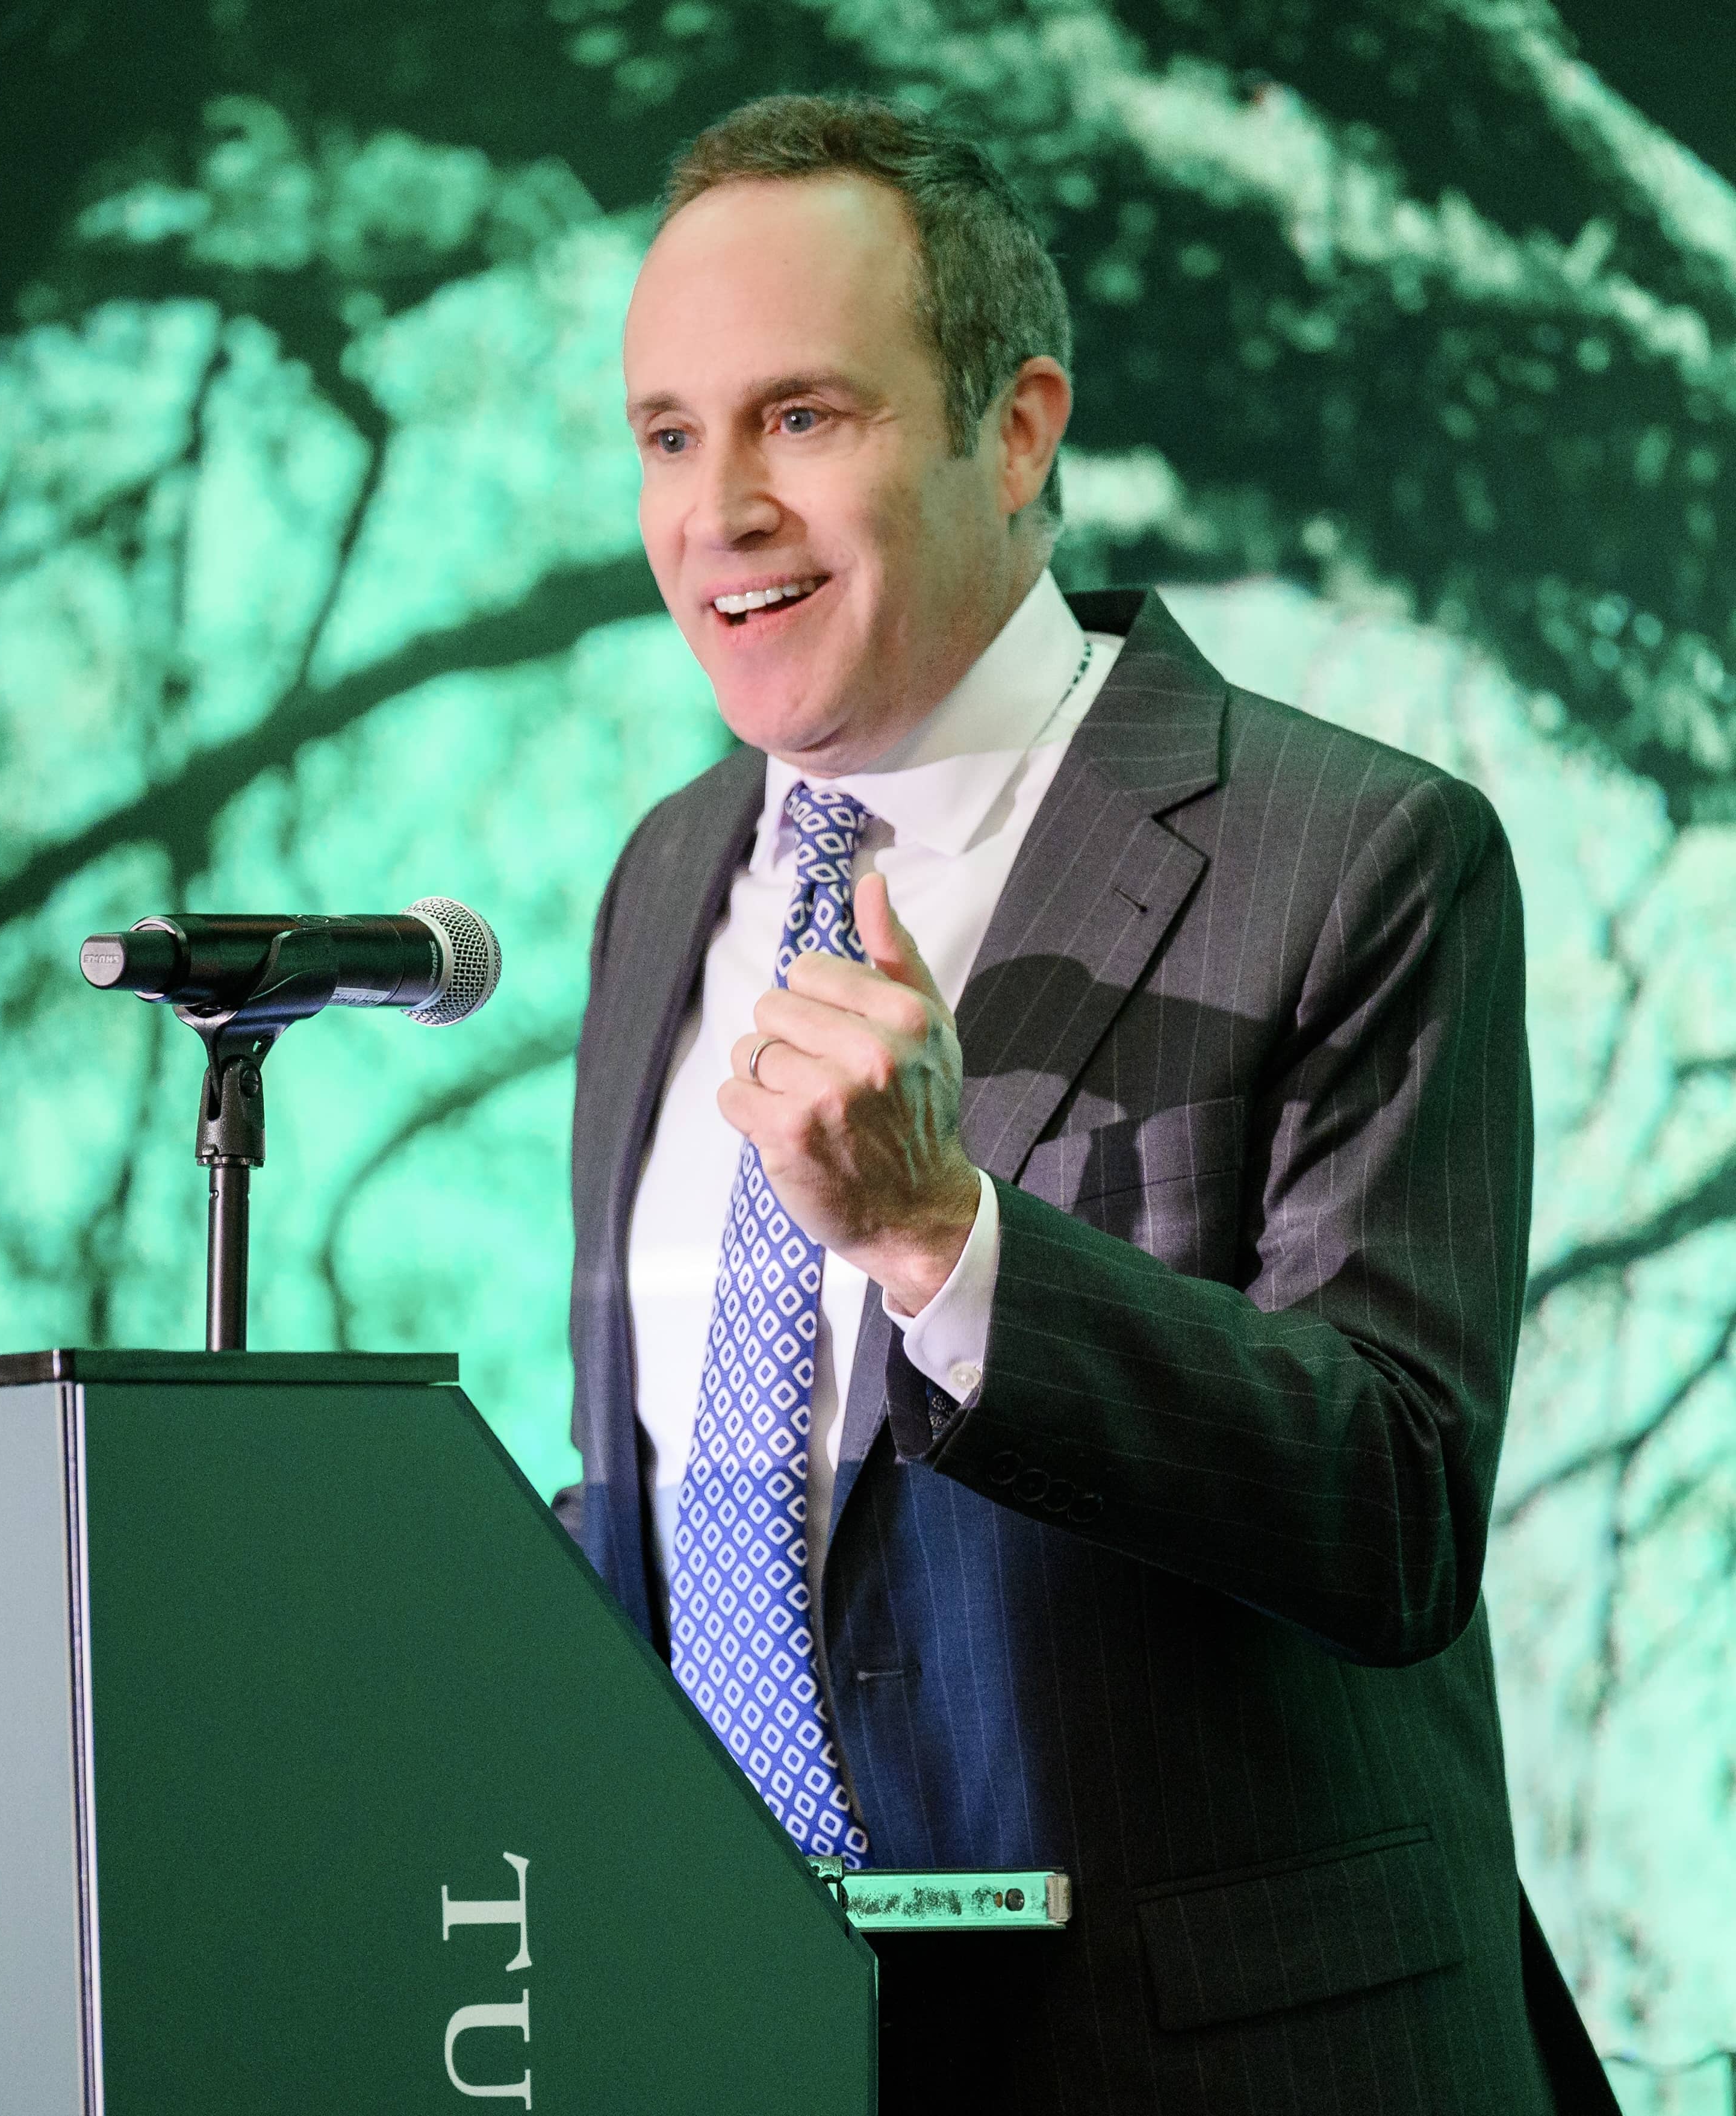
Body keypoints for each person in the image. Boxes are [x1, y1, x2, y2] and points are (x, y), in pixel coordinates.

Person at [567, 92, 1616, 2112]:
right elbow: (701, 1512)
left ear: (1019, 426)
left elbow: (1394, 1502)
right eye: (669, 434)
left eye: (803, 418)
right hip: (768, 2052)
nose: (718, 511)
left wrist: (942, 1247)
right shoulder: (657, 883)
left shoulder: (1357, 856)